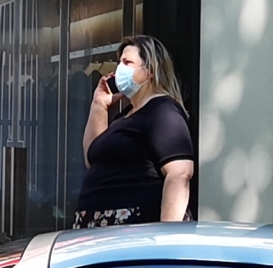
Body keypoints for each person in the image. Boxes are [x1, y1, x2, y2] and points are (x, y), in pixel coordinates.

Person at [72, 35, 195, 226]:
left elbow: (179, 173)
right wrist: (99, 105)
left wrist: (167, 234)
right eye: (119, 62)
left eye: (127, 62)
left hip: (134, 227)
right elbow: (92, 158)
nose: (119, 69)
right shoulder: (126, 116)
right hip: (102, 228)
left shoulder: (162, 110)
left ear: (150, 70)